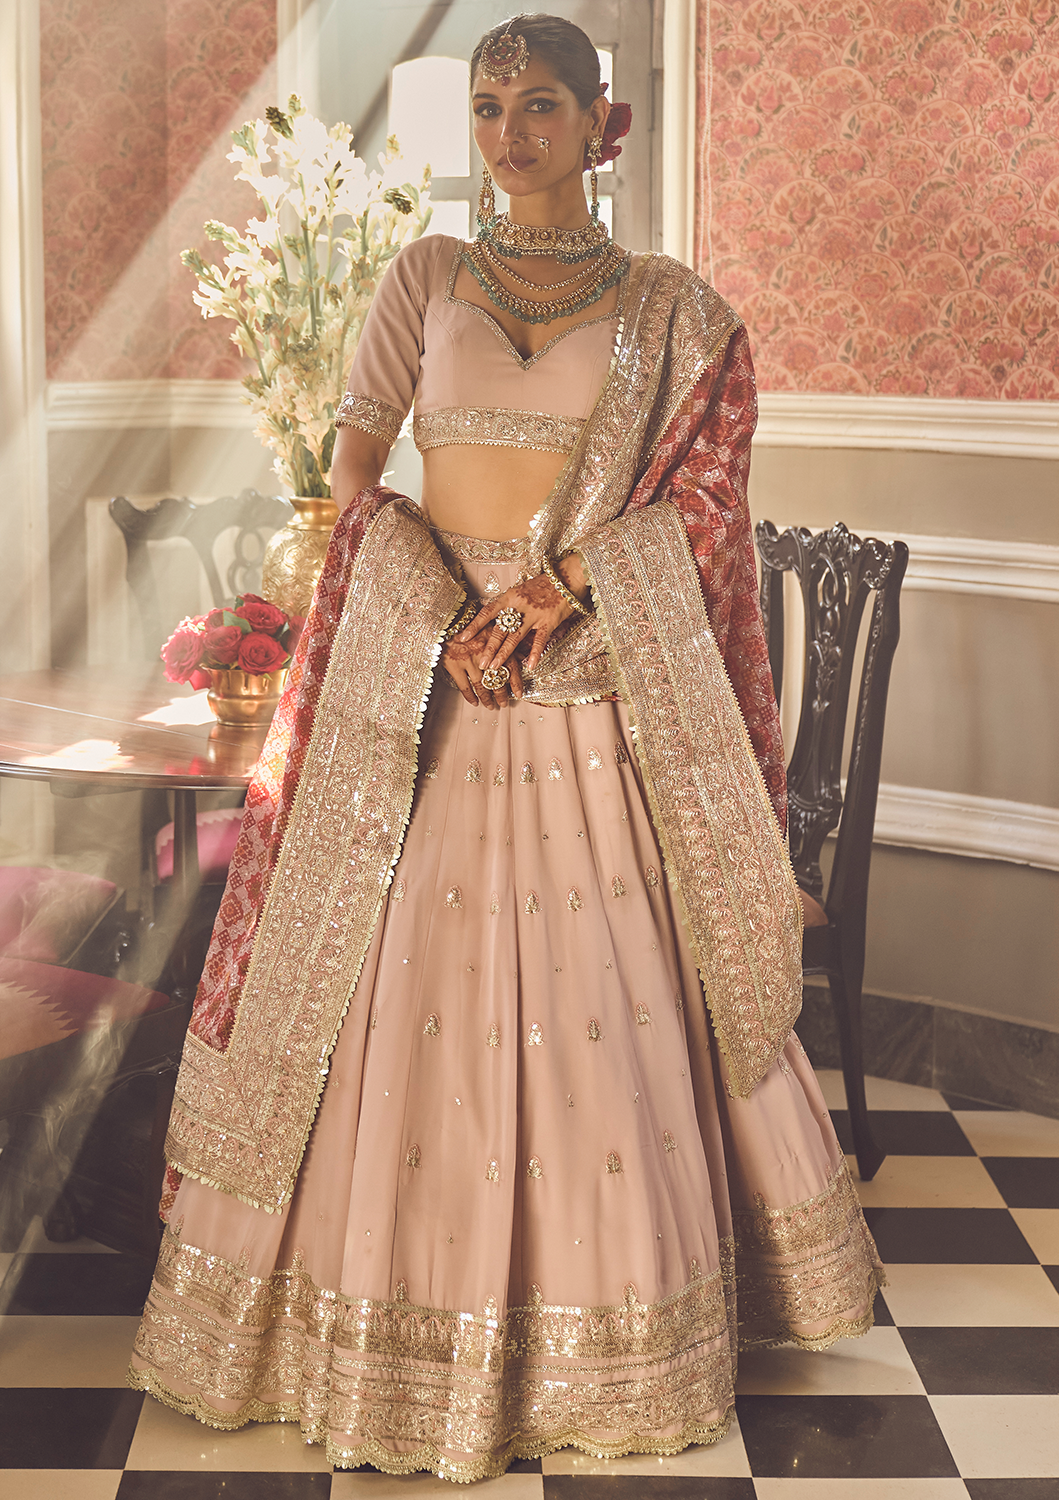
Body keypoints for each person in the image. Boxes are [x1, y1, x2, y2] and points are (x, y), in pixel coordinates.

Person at [129, 13, 883, 1482]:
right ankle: (362, 1335)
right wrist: (426, 589)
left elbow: (708, 508)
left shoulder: (677, 309)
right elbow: (354, 473)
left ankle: (614, 1340)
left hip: (593, 675)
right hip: (433, 682)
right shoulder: (423, 278)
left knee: (615, 1001)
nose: (506, 132)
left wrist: (560, 590)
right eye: (485, 106)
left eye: (539, 105)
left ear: (603, 130)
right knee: (377, 990)